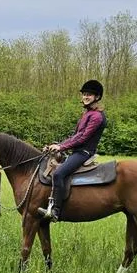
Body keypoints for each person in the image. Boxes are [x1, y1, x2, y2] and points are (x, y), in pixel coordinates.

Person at [38, 80, 107, 222]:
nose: (85, 97)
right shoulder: (87, 114)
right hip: (76, 151)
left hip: (84, 153)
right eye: (84, 94)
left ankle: (55, 211)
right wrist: (57, 145)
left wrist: (62, 147)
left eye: (89, 95)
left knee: (58, 174)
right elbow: (75, 136)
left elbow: (83, 138)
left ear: (97, 97)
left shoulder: (96, 116)